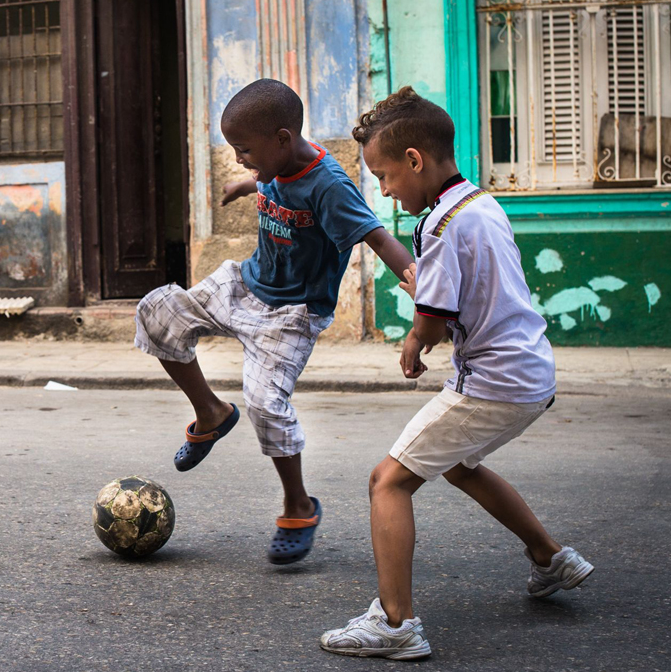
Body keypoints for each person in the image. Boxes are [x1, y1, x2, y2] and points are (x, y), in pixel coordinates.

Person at [318, 87, 593, 660]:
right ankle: (551, 559)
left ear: (415, 160)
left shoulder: (438, 225)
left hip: (492, 381)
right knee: (461, 466)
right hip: (530, 371)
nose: (385, 190)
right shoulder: (482, 203)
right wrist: (433, 298)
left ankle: (396, 625)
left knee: (387, 481)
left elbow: (438, 320)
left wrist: (415, 339)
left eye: (386, 176)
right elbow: (473, 288)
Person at [133, 79, 414, 564]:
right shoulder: (276, 162)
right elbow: (270, 178)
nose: (240, 158)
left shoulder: (330, 186)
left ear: (282, 138)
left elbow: (377, 237)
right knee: (158, 313)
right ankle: (211, 414)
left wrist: (417, 281)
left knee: (266, 405)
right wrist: (246, 183)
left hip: (291, 314)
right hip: (247, 283)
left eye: (245, 151)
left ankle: (298, 507)